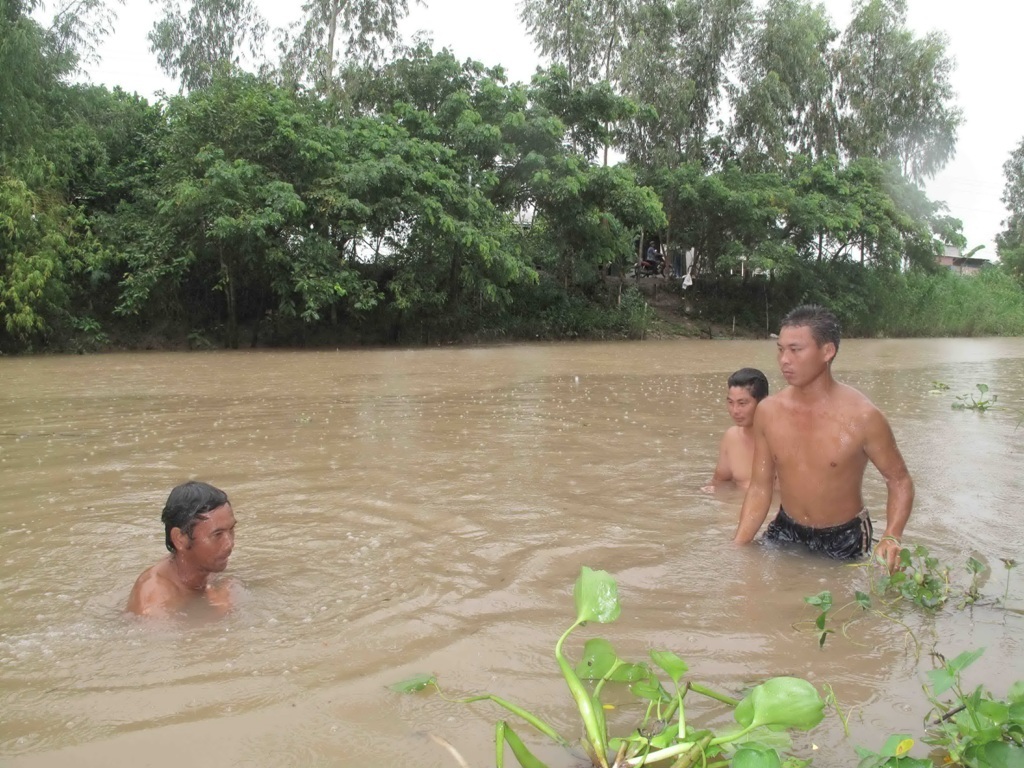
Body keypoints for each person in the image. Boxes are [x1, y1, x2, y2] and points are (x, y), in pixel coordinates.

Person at [732, 305, 913, 572]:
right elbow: (760, 488)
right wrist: (737, 549)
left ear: (827, 352)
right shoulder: (768, 412)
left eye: (795, 350)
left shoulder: (863, 417)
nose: (784, 360)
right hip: (787, 529)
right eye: (780, 349)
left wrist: (891, 536)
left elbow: (899, 480)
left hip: (845, 537)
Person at [127, 480, 237, 617]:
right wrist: (221, 613)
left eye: (231, 530)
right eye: (217, 535)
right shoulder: (154, 602)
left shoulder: (209, 567)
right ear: (180, 539)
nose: (229, 544)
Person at [702, 368, 769, 492]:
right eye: (730, 403)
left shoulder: (783, 435)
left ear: (763, 401)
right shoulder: (732, 437)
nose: (735, 411)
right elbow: (719, 482)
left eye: (742, 403)